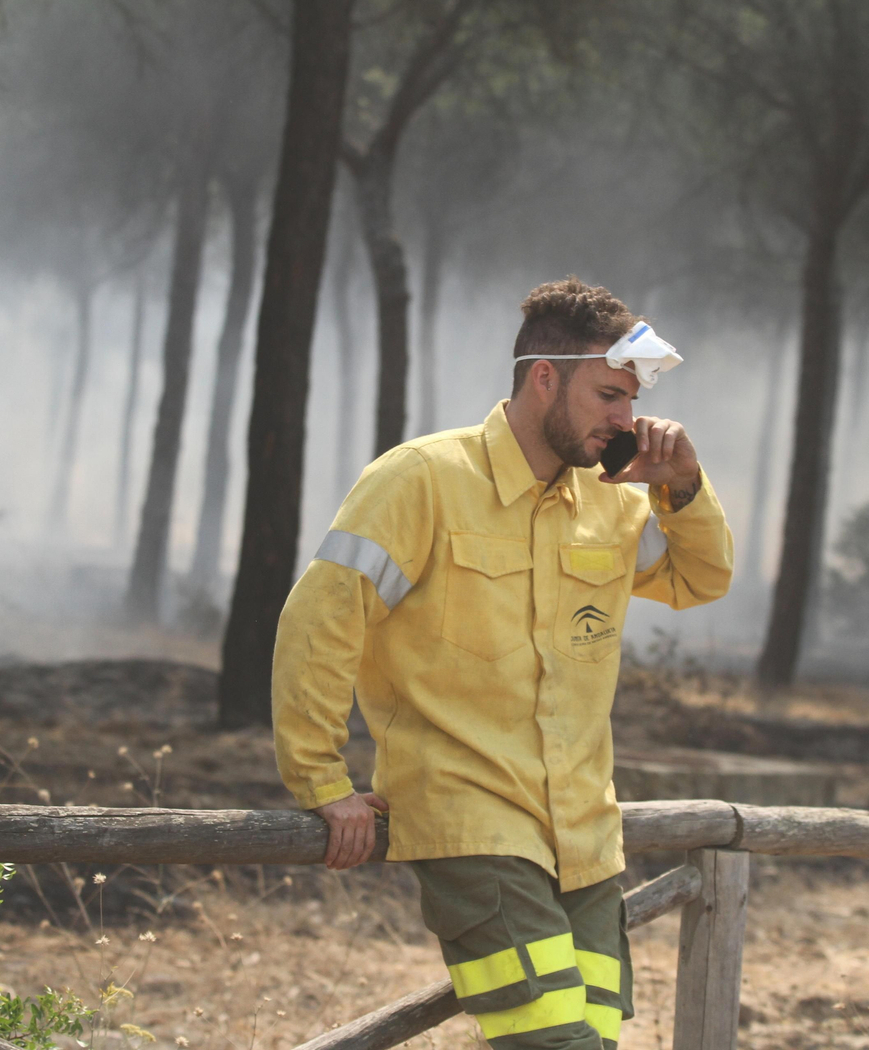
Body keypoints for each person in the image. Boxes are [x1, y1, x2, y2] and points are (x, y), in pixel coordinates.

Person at [272, 277, 733, 1050]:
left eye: (631, 400)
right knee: (555, 1045)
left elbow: (699, 579)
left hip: (585, 836)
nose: (628, 419)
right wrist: (322, 782)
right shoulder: (421, 479)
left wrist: (681, 486)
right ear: (543, 376)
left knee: (588, 1039)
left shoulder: (617, 500)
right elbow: (320, 624)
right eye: (609, 396)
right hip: (472, 822)